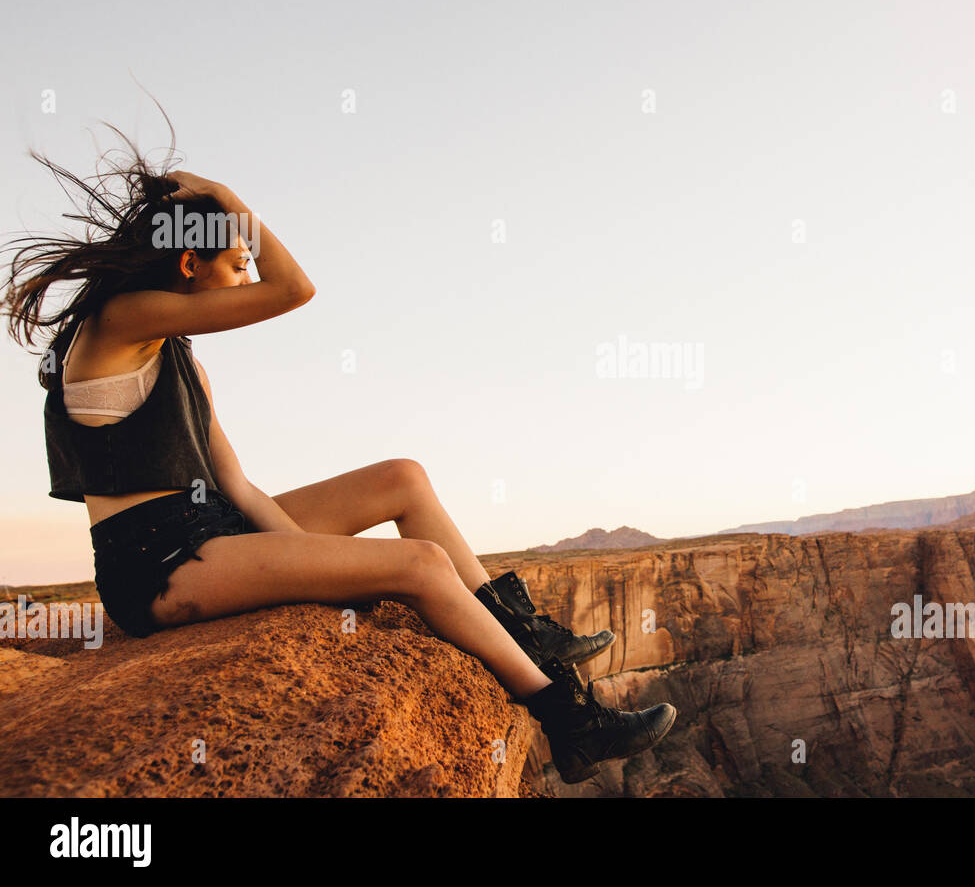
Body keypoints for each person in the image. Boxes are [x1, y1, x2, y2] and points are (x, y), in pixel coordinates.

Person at [0, 114, 675, 785]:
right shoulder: (120, 321)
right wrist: (230, 198)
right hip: (159, 565)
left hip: (212, 529)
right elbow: (294, 289)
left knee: (401, 477)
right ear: (188, 262)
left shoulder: (174, 356)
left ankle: (527, 637)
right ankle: (571, 722)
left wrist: (320, 565)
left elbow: (238, 487)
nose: (244, 280)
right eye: (236, 265)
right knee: (419, 565)